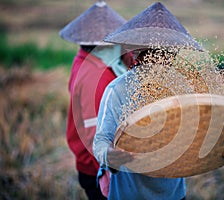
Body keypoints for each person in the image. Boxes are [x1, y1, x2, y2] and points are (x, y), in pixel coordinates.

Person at [93, 2, 224, 199]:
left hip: (173, 194)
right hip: (129, 194)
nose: (159, 65)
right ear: (135, 57)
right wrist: (111, 155)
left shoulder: (184, 90)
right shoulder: (117, 90)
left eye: (166, 57)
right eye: (151, 57)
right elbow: (100, 142)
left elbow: (200, 141)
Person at [59, 1, 133, 199]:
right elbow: (94, 133)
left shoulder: (84, 60)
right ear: (106, 46)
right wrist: (108, 169)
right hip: (96, 169)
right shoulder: (95, 76)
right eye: (118, 44)